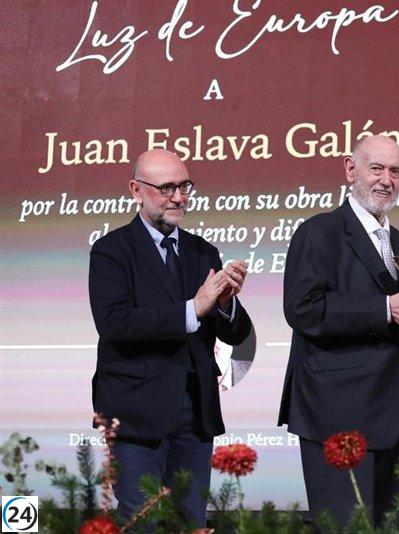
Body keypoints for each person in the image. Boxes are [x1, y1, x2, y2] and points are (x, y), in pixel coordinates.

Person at [278, 135, 399, 525]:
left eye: (396, 171)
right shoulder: (319, 232)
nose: (386, 180)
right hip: (340, 416)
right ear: (349, 168)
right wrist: (386, 308)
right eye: (376, 168)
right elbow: (304, 310)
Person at [89, 149, 252, 527]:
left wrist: (226, 305)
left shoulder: (202, 250)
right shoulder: (111, 251)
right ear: (136, 189)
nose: (178, 197)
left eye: (184, 186)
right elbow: (115, 324)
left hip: (195, 413)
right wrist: (194, 308)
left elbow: (233, 331)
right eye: (166, 188)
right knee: (141, 521)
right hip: (135, 413)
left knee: (190, 521)